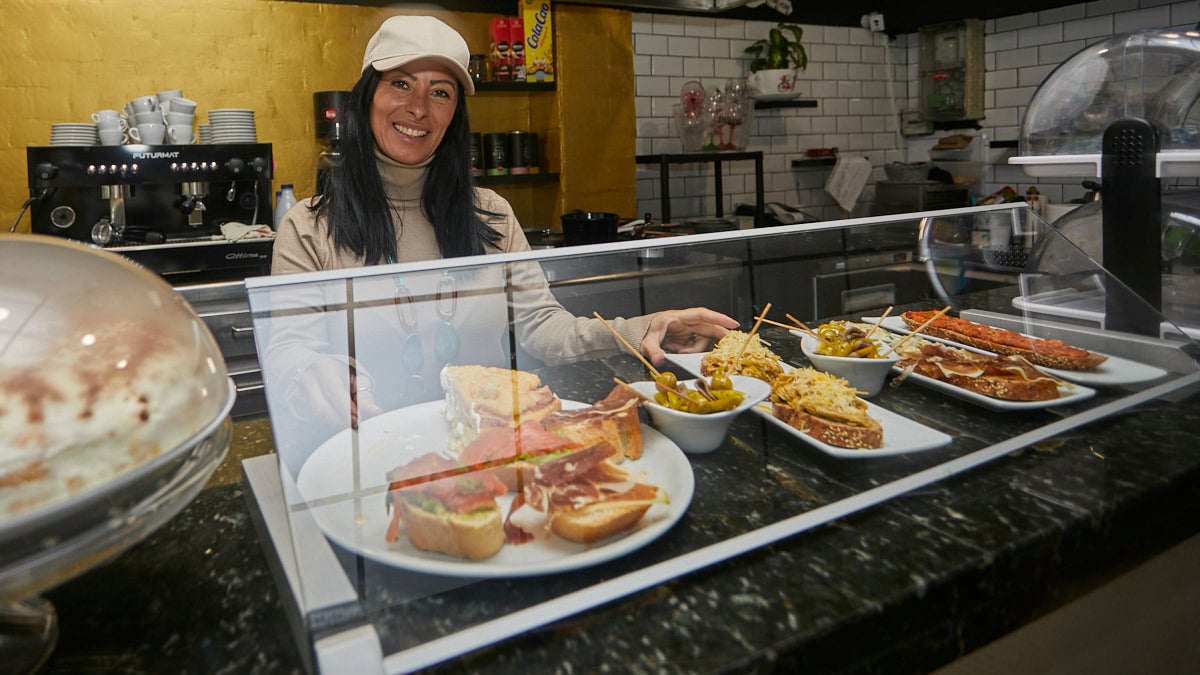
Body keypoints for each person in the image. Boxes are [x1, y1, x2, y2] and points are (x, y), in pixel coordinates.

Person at [269, 15, 738, 430]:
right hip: (366, 443)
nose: (418, 108)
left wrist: (638, 329)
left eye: (440, 92)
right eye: (400, 84)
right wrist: (308, 370)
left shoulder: (490, 213)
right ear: (367, 97)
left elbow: (541, 325)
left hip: (486, 444)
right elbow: (289, 349)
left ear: (454, 115)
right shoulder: (308, 227)